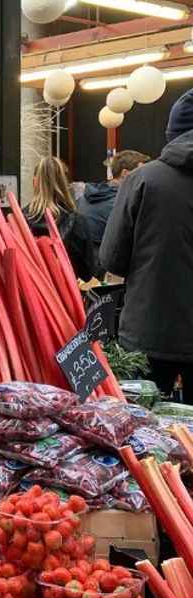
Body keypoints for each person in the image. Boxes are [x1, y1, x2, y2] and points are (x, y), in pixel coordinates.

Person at [100, 88, 193, 399]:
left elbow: (112, 258)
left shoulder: (142, 180)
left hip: (149, 331)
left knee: (147, 433)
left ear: (171, 133)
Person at [26, 156, 95, 281]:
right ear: (65, 184)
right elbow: (87, 273)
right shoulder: (77, 221)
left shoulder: (18, 221)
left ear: (34, 183)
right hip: (64, 296)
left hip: (27, 297)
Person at [79, 150, 149, 250]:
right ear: (125, 173)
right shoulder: (120, 203)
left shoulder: (87, 196)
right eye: (141, 173)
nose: (144, 178)